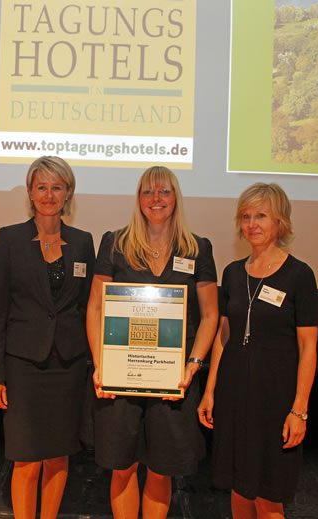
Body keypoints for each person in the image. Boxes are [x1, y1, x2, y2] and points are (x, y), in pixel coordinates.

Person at [86, 166, 219, 519]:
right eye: (148, 192)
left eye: (164, 191)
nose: (156, 199)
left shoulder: (197, 248)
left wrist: (193, 367)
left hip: (174, 378)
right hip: (121, 376)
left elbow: (210, 316)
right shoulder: (115, 243)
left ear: (175, 197)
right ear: (138, 198)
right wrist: (101, 365)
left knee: (161, 469)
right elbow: (96, 307)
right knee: (123, 467)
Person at [197, 183, 318, 519]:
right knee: (238, 489)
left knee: (268, 499)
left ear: (280, 221)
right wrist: (210, 392)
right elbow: (223, 338)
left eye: (261, 216)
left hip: (276, 399)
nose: (252, 224)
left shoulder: (300, 275)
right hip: (234, 394)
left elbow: (308, 347)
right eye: (246, 216)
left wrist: (299, 410)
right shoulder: (233, 273)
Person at [0, 156, 95, 519]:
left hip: (68, 366)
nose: (49, 195)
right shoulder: (10, 238)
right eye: (42, 187)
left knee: (59, 457)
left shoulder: (82, 242)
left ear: (68, 193)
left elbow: (88, 308)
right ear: (30, 192)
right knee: (26, 459)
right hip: (23, 367)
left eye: (57, 187)